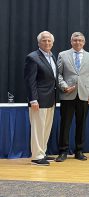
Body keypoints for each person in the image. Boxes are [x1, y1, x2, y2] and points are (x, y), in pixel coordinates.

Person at [55, 32, 89, 162]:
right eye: (75, 40)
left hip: (84, 95)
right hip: (67, 94)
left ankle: (79, 150)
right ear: (71, 41)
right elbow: (58, 74)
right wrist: (64, 86)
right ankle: (63, 151)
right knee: (65, 124)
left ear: (84, 42)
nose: (77, 42)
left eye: (80, 40)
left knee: (81, 124)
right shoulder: (63, 55)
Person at [24, 31, 57, 166]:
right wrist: (33, 100)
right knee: (38, 128)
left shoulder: (52, 56)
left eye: (49, 41)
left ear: (52, 43)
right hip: (39, 100)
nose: (47, 43)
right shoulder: (32, 57)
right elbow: (29, 81)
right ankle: (36, 157)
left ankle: (42, 152)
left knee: (46, 128)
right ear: (39, 43)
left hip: (51, 99)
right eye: (44, 40)